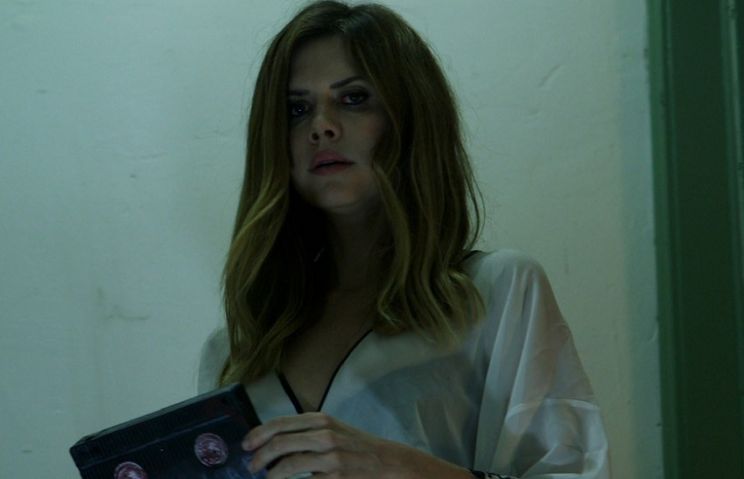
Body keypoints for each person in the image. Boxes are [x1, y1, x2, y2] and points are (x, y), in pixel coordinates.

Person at [198, 1, 610, 478]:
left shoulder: (497, 293)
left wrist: (401, 468)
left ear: (410, 118)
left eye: (354, 98)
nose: (321, 126)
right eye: (297, 109)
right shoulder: (236, 352)